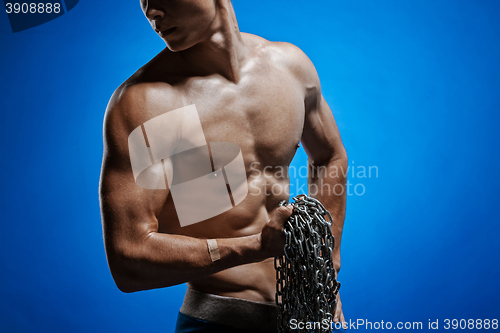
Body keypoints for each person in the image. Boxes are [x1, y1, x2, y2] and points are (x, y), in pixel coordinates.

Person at [99, 0, 348, 332]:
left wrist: (324, 264)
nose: (151, 11)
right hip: (218, 320)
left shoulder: (289, 67)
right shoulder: (149, 103)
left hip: (306, 316)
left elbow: (330, 157)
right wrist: (255, 247)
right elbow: (129, 260)